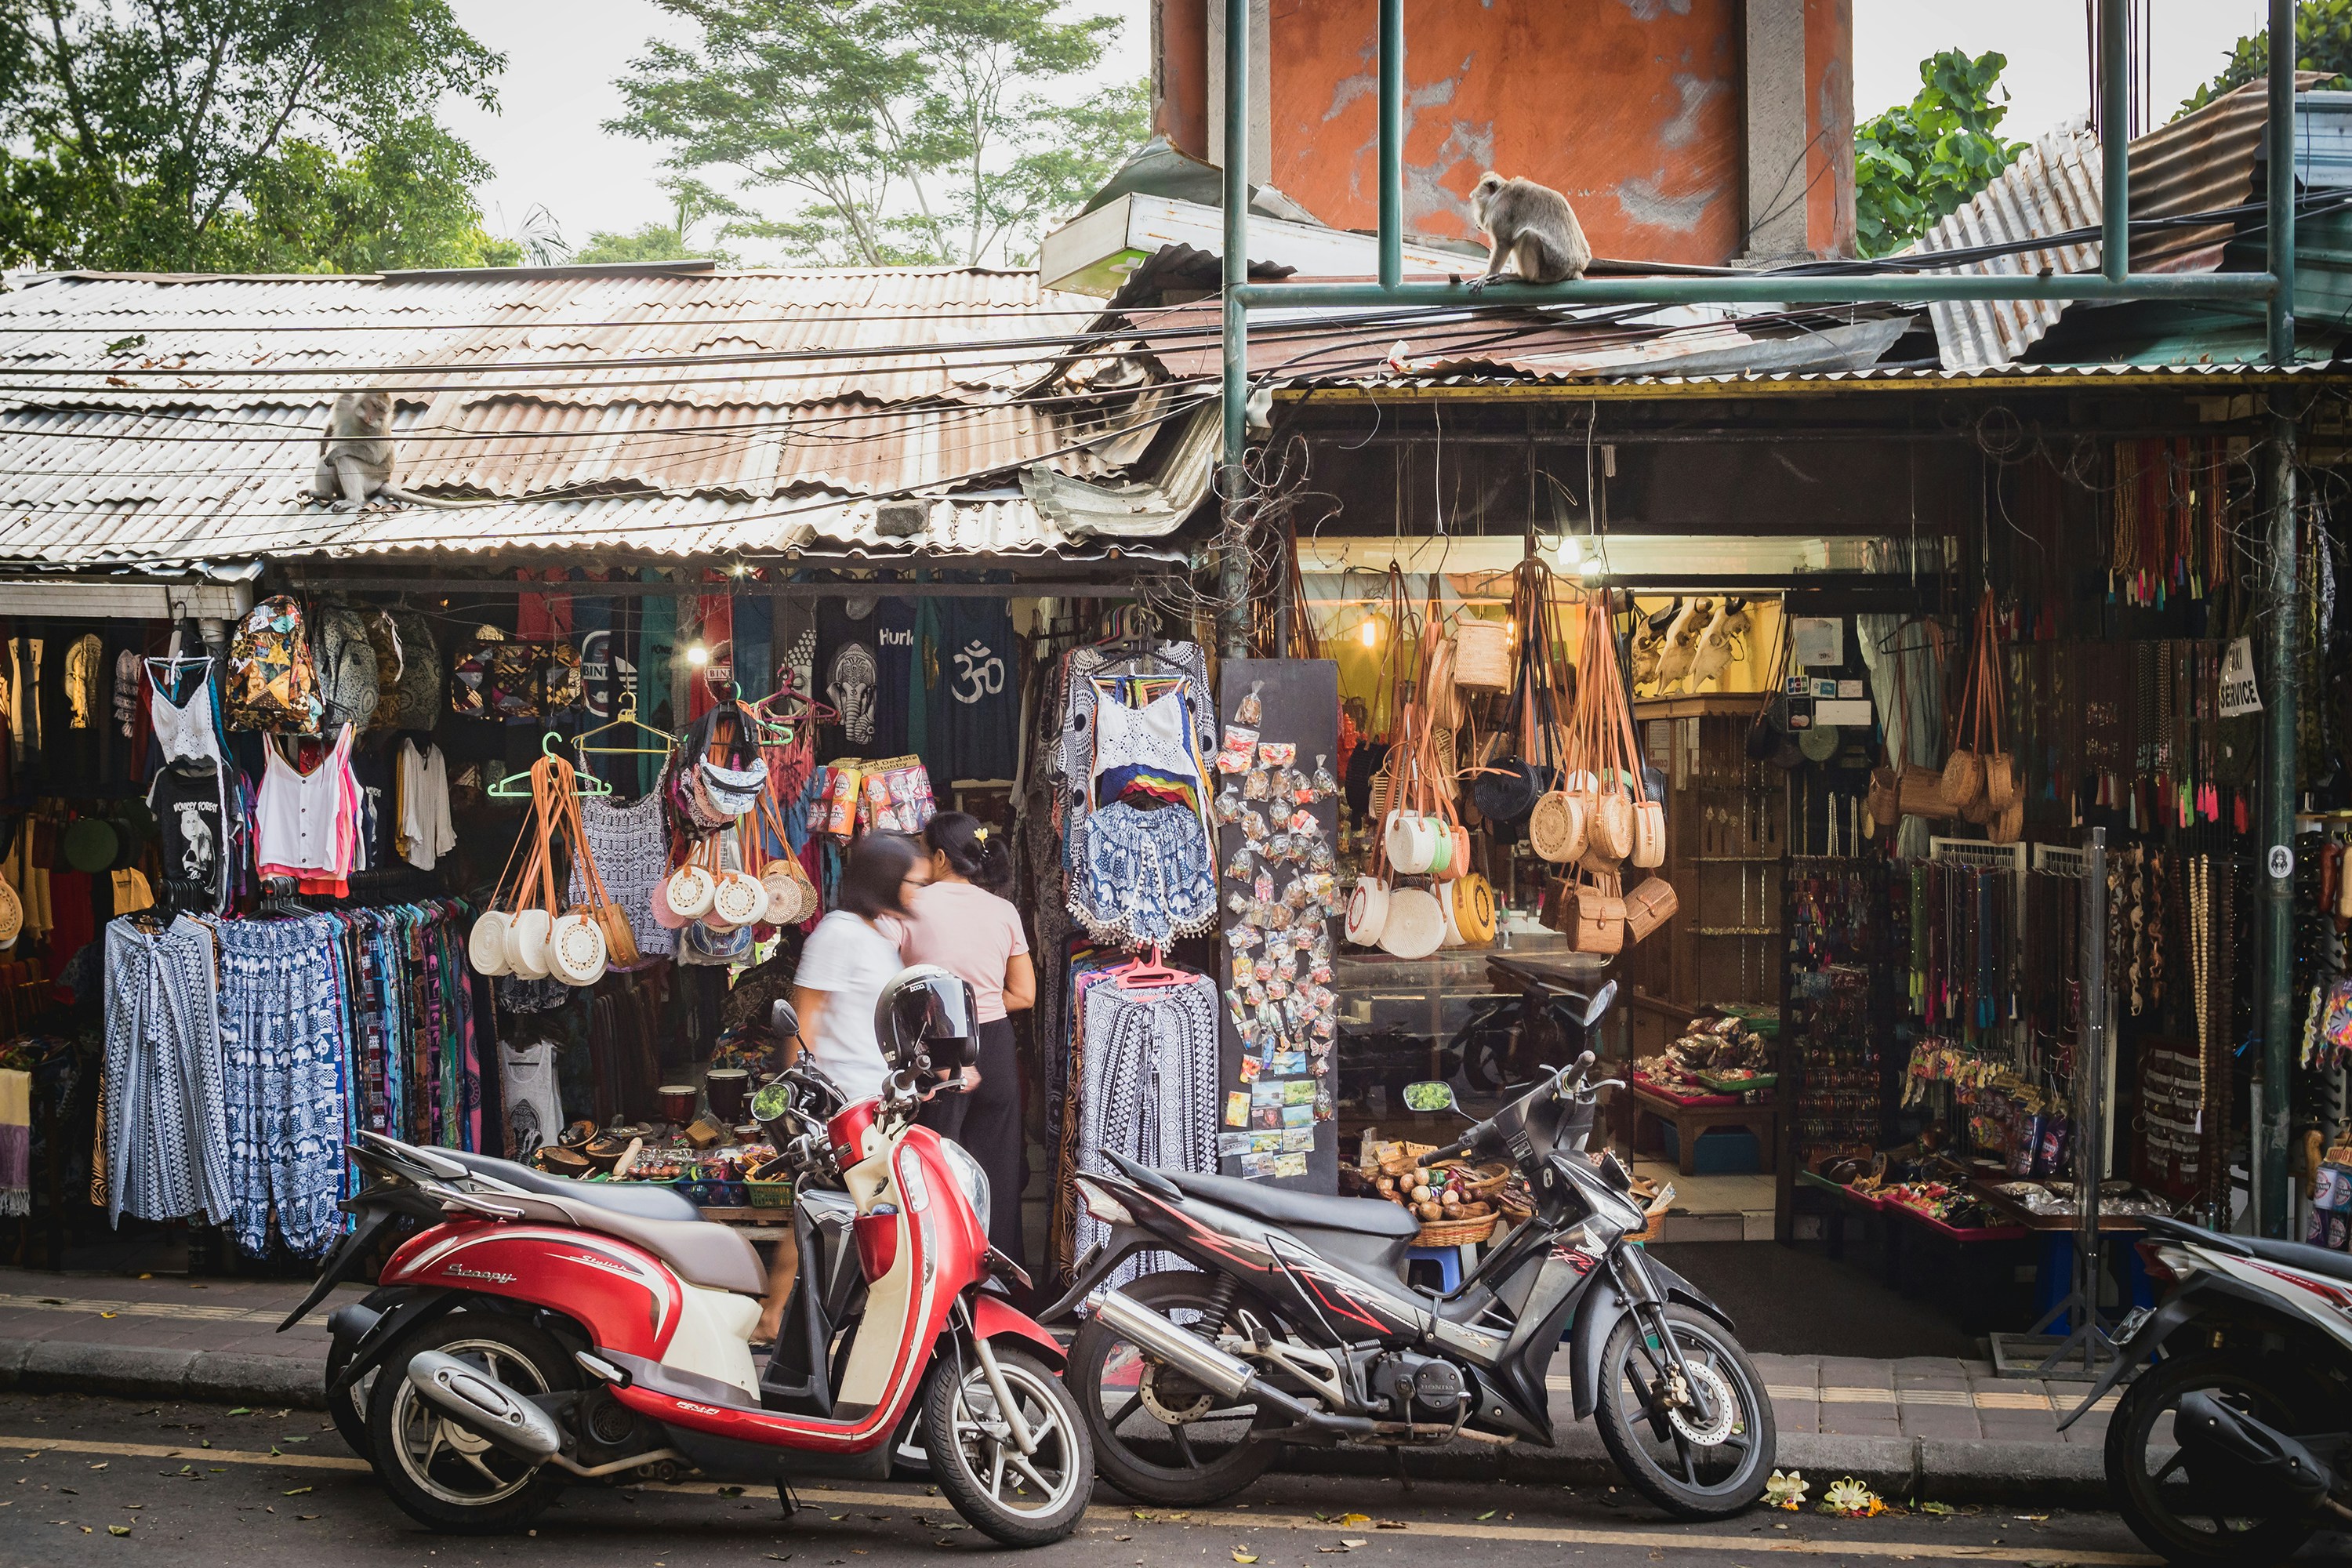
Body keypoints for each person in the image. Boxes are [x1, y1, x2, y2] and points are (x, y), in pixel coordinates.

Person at [757, 831, 927, 1342]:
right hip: (840, 1104)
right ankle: (774, 1316)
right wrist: (796, 1104)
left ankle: (813, 1318)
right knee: (818, 1208)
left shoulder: (879, 935)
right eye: (912, 881)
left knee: (845, 1212)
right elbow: (803, 1017)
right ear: (885, 880)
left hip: (875, 1106)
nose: (918, 891)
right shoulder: (837, 932)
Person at [899, 811, 1033, 1273]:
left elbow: (891, 987)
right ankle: (1001, 1281)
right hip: (995, 1044)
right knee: (996, 1170)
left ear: (938, 856)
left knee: (935, 1167)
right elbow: (1024, 994)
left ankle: (942, 1278)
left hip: (936, 1042)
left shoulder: (911, 905)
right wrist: (979, 1003)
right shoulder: (1003, 909)